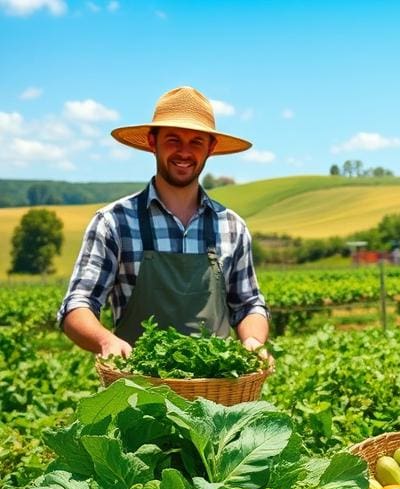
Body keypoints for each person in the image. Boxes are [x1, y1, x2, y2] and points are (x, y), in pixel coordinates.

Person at [57, 86, 270, 359]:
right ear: (151, 141)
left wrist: (253, 340)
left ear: (211, 148)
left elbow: (248, 304)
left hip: (214, 395)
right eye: (173, 139)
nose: (184, 152)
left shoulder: (232, 227)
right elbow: (78, 304)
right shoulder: (113, 222)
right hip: (137, 391)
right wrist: (105, 341)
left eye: (196, 141)